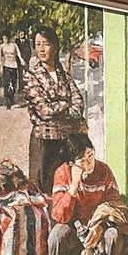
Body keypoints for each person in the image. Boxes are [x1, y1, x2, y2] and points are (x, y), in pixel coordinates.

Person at [24, 26, 87, 196]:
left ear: (55, 46)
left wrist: (60, 107)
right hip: (45, 142)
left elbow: (79, 102)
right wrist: (66, 105)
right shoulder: (31, 75)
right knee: (44, 192)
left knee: (68, 188)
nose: (41, 49)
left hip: (67, 140)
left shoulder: (64, 74)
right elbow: (44, 110)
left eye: (46, 44)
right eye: (38, 44)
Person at [0, 31, 25, 108]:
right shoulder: (2, 46)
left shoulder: (14, 45)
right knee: (6, 84)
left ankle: (12, 97)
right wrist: (0, 65)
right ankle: (8, 102)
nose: (4, 40)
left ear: (9, 38)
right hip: (6, 66)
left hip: (14, 66)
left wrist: (22, 60)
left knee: (13, 83)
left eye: (6, 38)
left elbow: (19, 54)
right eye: (3, 38)